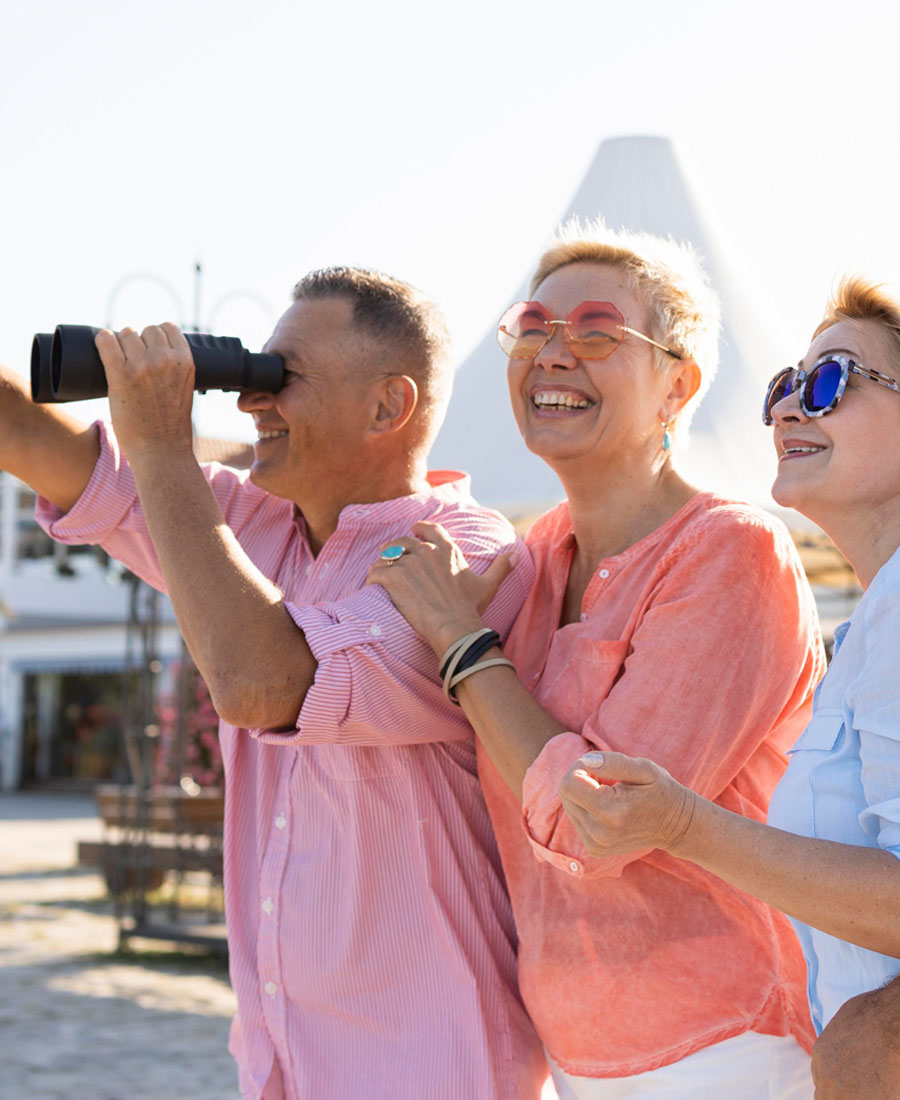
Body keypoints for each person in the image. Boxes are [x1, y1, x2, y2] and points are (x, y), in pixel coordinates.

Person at [0, 267, 547, 1099]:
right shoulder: (255, 527)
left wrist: (160, 447)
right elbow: (31, 440)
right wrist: (135, 395)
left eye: (279, 378)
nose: (250, 402)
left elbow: (264, 686)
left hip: (434, 1061)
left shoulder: (465, 557)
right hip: (286, 1061)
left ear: (386, 407)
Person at [368, 220, 825, 1097]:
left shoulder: (734, 552)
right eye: (534, 328)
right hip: (570, 1053)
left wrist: (464, 645)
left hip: (720, 1046)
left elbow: (599, 820)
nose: (553, 353)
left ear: (677, 387)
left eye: (598, 333)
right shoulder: (536, 556)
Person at [557, 274, 900, 1099]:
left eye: (831, 381)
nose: (787, 410)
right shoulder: (867, 625)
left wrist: (683, 824)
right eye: (787, 385)